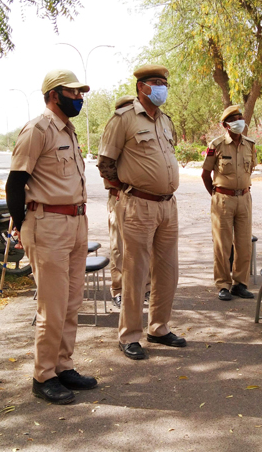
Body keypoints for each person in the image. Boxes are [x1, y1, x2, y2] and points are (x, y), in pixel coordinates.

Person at [5, 69, 97, 404]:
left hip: (75, 222)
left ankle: (63, 366)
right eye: (73, 93)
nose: (79, 99)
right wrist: (19, 223)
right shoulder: (38, 129)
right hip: (48, 225)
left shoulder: (68, 131)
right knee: (53, 305)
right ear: (53, 95)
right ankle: (43, 374)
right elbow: (15, 182)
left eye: (80, 93)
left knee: (72, 302)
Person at [98, 64, 186, 360]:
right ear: (141, 87)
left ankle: (158, 327)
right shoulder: (123, 119)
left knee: (167, 271)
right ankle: (129, 335)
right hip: (137, 205)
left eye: (164, 83)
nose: (162, 87)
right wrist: (123, 191)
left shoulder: (165, 121)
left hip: (167, 205)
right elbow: (106, 163)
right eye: (156, 83)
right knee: (134, 272)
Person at [201, 105, 257, 301]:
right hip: (222, 200)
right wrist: (216, 195)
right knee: (222, 245)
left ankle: (240, 284)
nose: (240, 122)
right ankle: (223, 284)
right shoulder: (216, 145)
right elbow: (205, 174)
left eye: (241, 117)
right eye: (235, 119)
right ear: (226, 125)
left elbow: (250, 170)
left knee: (244, 244)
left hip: (244, 198)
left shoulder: (250, 144)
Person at [106, 96, 150, 309]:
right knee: (119, 248)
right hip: (119, 197)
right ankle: (119, 290)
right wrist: (120, 189)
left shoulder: (139, 131)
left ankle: (146, 288)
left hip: (141, 200)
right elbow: (105, 165)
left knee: (145, 246)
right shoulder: (113, 131)